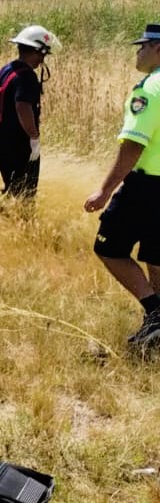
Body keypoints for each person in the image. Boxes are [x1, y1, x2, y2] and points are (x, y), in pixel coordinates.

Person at [85, 23, 160, 351]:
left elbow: (133, 145)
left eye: (143, 45)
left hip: (147, 187)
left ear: (158, 48)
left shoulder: (150, 89)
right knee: (157, 256)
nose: (138, 51)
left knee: (109, 248)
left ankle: (155, 314)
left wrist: (104, 190)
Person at [0, 24, 58, 203]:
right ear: (37, 51)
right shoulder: (27, 77)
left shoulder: (1, 72)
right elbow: (22, 106)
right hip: (19, 143)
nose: (42, 59)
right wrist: (34, 138)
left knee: (13, 188)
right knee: (26, 195)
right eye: (43, 54)